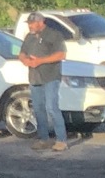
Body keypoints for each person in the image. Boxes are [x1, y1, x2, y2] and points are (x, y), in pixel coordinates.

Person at [19, 12, 70, 151]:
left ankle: (61, 140)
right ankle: (43, 139)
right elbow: (22, 53)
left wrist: (40, 61)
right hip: (35, 78)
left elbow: (61, 54)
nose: (30, 26)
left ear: (41, 22)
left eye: (32, 23)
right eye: (29, 24)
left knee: (51, 108)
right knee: (38, 109)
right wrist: (25, 60)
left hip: (51, 77)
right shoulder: (29, 37)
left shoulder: (54, 35)